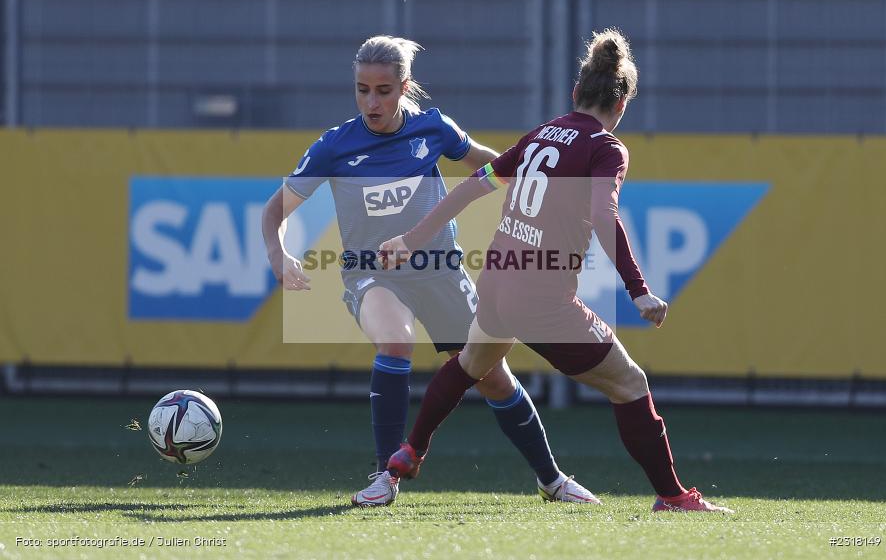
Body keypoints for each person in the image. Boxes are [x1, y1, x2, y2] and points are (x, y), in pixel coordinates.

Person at [379, 28, 733, 513]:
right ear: (622, 103)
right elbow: (605, 216)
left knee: (469, 366)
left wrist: (409, 240)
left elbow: (473, 186)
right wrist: (639, 290)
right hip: (541, 298)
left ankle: (410, 450)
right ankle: (673, 496)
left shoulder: (542, 133)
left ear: (575, 93)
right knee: (630, 385)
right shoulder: (606, 148)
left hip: (499, 280)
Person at [261, 35, 598, 507]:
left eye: (383, 90)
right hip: (371, 272)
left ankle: (552, 480)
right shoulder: (335, 146)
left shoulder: (434, 128)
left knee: (493, 376)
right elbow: (274, 212)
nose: (371, 101)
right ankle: (384, 476)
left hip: (440, 270)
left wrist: (551, 181)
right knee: (396, 340)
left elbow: (495, 164)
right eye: (362, 89)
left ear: (405, 86)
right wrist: (279, 257)